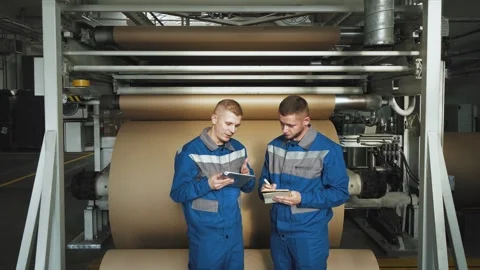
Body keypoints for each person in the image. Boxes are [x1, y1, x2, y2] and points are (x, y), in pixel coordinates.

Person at [258, 95, 349, 270]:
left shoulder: (328, 149)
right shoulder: (273, 147)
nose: (284, 130)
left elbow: (340, 193)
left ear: (306, 121)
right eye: (281, 123)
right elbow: (262, 187)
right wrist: (265, 190)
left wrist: (302, 198)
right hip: (278, 233)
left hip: (309, 235)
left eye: (290, 125)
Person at [170, 99, 256, 270]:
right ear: (214, 119)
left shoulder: (239, 149)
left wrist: (248, 176)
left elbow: (249, 187)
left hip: (234, 235)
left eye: (237, 125)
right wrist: (207, 184)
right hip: (205, 238)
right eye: (229, 123)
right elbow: (177, 193)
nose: (232, 130)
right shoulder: (190, 151)